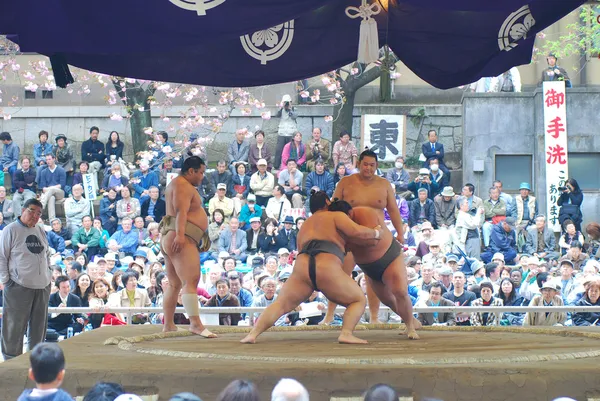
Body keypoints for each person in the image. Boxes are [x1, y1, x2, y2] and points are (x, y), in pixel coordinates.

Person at [240, 191, 382, 344]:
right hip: (326, 267)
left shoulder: (305, 224)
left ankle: (252, 334)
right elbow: (357, 232)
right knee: (358, 300)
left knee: (280, 304)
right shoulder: (336, 216)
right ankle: (346, 333)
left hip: (302, 269)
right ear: (327, 202)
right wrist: (376, 232)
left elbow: (301, 248)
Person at [321, 150, 420, 337]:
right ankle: (330, 314)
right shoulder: (345, 183)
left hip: (377, 239)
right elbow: (333, 209)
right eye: (365, 164)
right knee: (340, 273)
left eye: (372, 165)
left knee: (374, 278)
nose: (368, 168)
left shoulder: (383, 185)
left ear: (377, 166)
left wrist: (400, 233)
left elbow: (393, 210)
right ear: (359, 163)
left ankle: (375, 316)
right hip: (350, 237)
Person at [159, 156, 216, 337]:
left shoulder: (176, 184)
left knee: (175, 283)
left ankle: (168, 324)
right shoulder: (183, 185)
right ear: (191, 171)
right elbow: (181, 211)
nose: (201, 177)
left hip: (171, 235)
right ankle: (196, 324)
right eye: (200, 172)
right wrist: (182, 236)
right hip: (179, 236)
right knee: (191, 281)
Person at [0, 199, 51, 360]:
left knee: (38, 327)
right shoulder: (10, 230)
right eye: (32, 211)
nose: (35, 216)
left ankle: (37, 360)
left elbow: (47, 253)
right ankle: (11, 361)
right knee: (14, 326)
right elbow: (1, 257)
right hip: (18, 285)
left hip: (42, 285)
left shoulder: (40, 229)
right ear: (23, 210)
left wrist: (48, 275)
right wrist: (6, 281)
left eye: (38, 213)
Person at [39, 154, 67, 221]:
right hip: (49, 194)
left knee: (52, 189)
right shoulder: (43, 172)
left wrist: (51, 188)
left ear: (54, 159)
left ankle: (41, 207)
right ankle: (52, 219)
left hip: (60, 193)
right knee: (51, 198)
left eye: (49, 159)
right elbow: (43, 188)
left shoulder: (61, 170)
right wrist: (49, 189)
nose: (48, 161)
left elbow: (62, 185)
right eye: (46, 160)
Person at [275, 94, 297, 168]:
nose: (287, 104)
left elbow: (294, 117)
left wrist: (290, 109)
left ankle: (293, 165)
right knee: (279, 150)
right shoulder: (281, 110)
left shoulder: (293, 109)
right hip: (282, 132)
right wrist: (281, 107)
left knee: (292, 149)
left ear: (291, 102)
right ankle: (276, 165)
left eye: (288, 102)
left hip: (291, 132)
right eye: (285, 102)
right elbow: (277, 115)